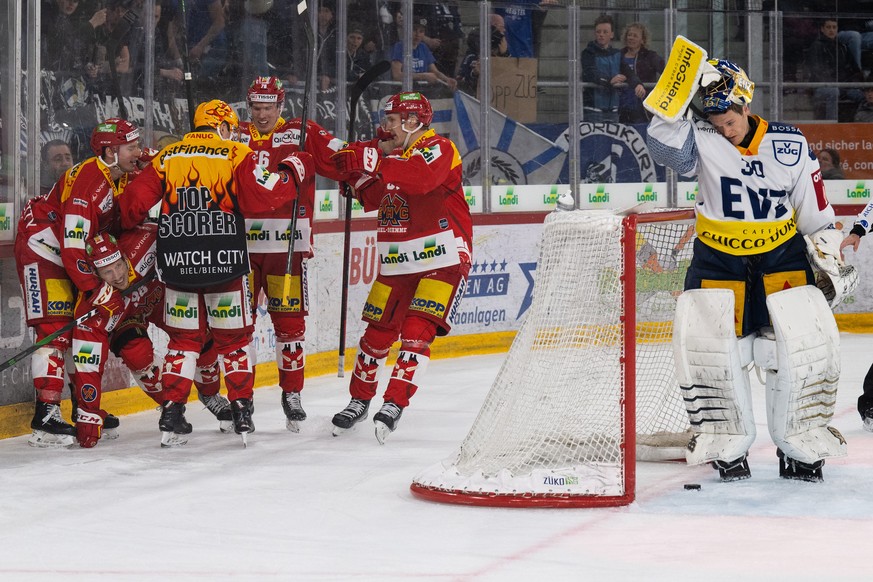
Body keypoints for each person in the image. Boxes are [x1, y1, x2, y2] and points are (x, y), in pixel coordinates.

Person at [646, 57, 848, 481]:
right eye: (715, 120)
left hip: (780, 257)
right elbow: (666, 147)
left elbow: (816, 214)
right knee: (716, 353)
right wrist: (676, 89)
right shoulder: (700, 138)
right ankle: (727, 444)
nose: (723, 128)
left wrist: (828, 251)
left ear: (745, 104)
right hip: (718, 257)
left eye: (729, 119)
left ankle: (797, 446)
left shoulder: (790, 144)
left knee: (791, 352)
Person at [120, 99, 315, 446]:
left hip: (178, 264)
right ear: (224, 126)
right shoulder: (235, 152)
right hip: (224, 262)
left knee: (182, 343)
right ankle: (241, 409)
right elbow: (264, 195)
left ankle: (172, 412)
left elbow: (133, 202)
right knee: (234, 341)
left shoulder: (169, 155)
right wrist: (294, 172)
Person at [329, 91, 472, 444]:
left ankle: (394, 403)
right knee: (376, 335)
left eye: (390, 121)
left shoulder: (439, 148)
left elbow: (419, 179)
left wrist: (373, 159)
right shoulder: (393, 156)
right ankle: (359, 400)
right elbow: (375, 196)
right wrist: (352, 176)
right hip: (397, 261)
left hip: (444, 258)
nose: (384, 128)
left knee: (416, 332)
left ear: (412, 122)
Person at [14, 118, 143, 448]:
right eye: (131, 147)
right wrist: (97, 288)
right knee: (53, 329)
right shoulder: (91, 182)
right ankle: (46, 415)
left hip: (62, 251)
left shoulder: (114, 172)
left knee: (73, 328)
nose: (138, 152)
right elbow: (73, 244)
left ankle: (78, 408)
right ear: (110, 151)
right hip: (42, 246)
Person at [238, 76, 345, 432]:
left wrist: (365, 166)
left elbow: (339, 156)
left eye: (268, 107)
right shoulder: (236, 134)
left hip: (285, 249)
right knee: (238, 327)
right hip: (240, 249)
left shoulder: (302, 131)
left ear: (281, 106)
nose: (262, 113)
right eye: (256, 106)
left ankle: (292, 393)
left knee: (289, 325)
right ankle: (242, 399)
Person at [802, 18, 864, 121]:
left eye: (834, 27)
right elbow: (816, 71)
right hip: (821, 88)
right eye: (828, 27)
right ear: (822, 29)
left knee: (863, 96)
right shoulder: (816, 46)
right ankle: (832, 124)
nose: (831, 30)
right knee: (833, 92)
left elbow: (853, 69)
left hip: (843, 87)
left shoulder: (842, 47)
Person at [581, 14, 639, 123]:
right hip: (593, 109)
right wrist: (609, 80)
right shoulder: (588, 53)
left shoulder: (617, 54)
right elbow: (590, 73)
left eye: (605, 32)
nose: (601, 35)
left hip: (613, 109)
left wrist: (637, 84)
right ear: (595, 33)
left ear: (612, 34)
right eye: (598, 32)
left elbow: (627, 71)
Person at [390, 19, 458, 93]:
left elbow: (434, 71)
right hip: (404, 91)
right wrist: (423, 76)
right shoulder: (399, 47)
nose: (417, 34)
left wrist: (446, 79)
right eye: (414, 30)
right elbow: (397, 75)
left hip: (422, 91)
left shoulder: (423, 47)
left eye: (421, 31)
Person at [618, 22, 664, 125]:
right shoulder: (618, 55)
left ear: (642, 40)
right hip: (622, 106)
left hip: (643, 107)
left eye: (635, 36)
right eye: (629, 35)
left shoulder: (650, 56)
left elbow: (665, 70)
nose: (631, 38)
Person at [456, 24, 510, 96]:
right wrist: (475, 74)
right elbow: (467, 84)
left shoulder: (494, 57)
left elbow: (510, 75)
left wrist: (505, 55)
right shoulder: (472, 58)